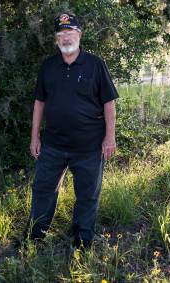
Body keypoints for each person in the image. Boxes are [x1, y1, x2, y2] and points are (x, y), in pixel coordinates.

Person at [23, 13, 119, 249]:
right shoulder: (48, 66)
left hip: (89, 146)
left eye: (70, 33)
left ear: (79, 35)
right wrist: (34, 136)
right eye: (61, 34)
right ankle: (35, 237)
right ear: (56, 39)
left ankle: (82, 241)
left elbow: (109, 103)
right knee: (43, 189)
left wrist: (110, 137)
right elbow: (39, 103)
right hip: (53, 145)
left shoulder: (96, 64)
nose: (66, 38)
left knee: (87, 195)